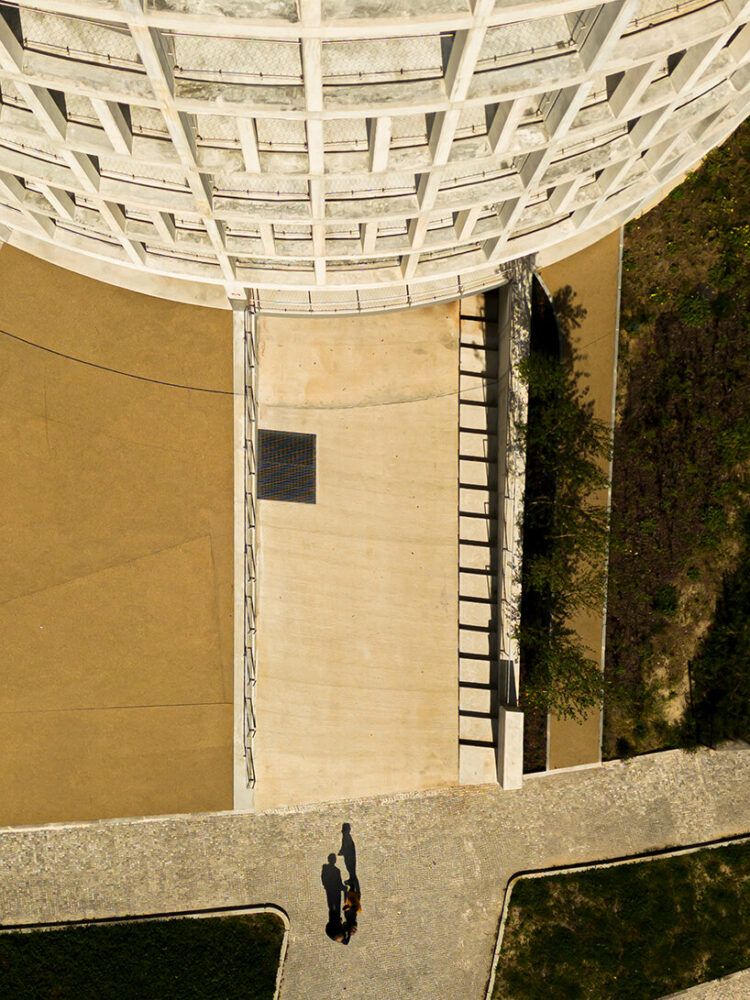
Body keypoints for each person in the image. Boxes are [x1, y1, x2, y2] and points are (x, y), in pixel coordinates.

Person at [321, 853, 345, 919]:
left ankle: (332, 918)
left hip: (329, 890)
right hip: (336, 891)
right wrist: (344, 888)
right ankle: (337, 918)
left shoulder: (325, 868)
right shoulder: (337, 871)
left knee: (331, 905)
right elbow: (339, 882)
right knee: (337, 905)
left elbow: (323, 877)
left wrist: (325, 885)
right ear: (335, 861)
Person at [338, 822, 360, 895]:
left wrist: (342, 851)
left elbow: (346, 846)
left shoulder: (346, 836)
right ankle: (351, 880)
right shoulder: (346, 835)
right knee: (351, 870)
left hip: (349, 857)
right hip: (350, 856)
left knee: (351, 870)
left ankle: (357, 889)